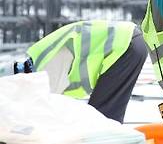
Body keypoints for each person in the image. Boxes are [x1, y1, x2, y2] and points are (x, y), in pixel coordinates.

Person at [13, 20, 147, 123]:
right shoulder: (42, 61)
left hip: (124, 45)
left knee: (101, 120)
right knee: (104, 118)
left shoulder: (45, 68)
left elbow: (47, 111)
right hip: (128, 43)